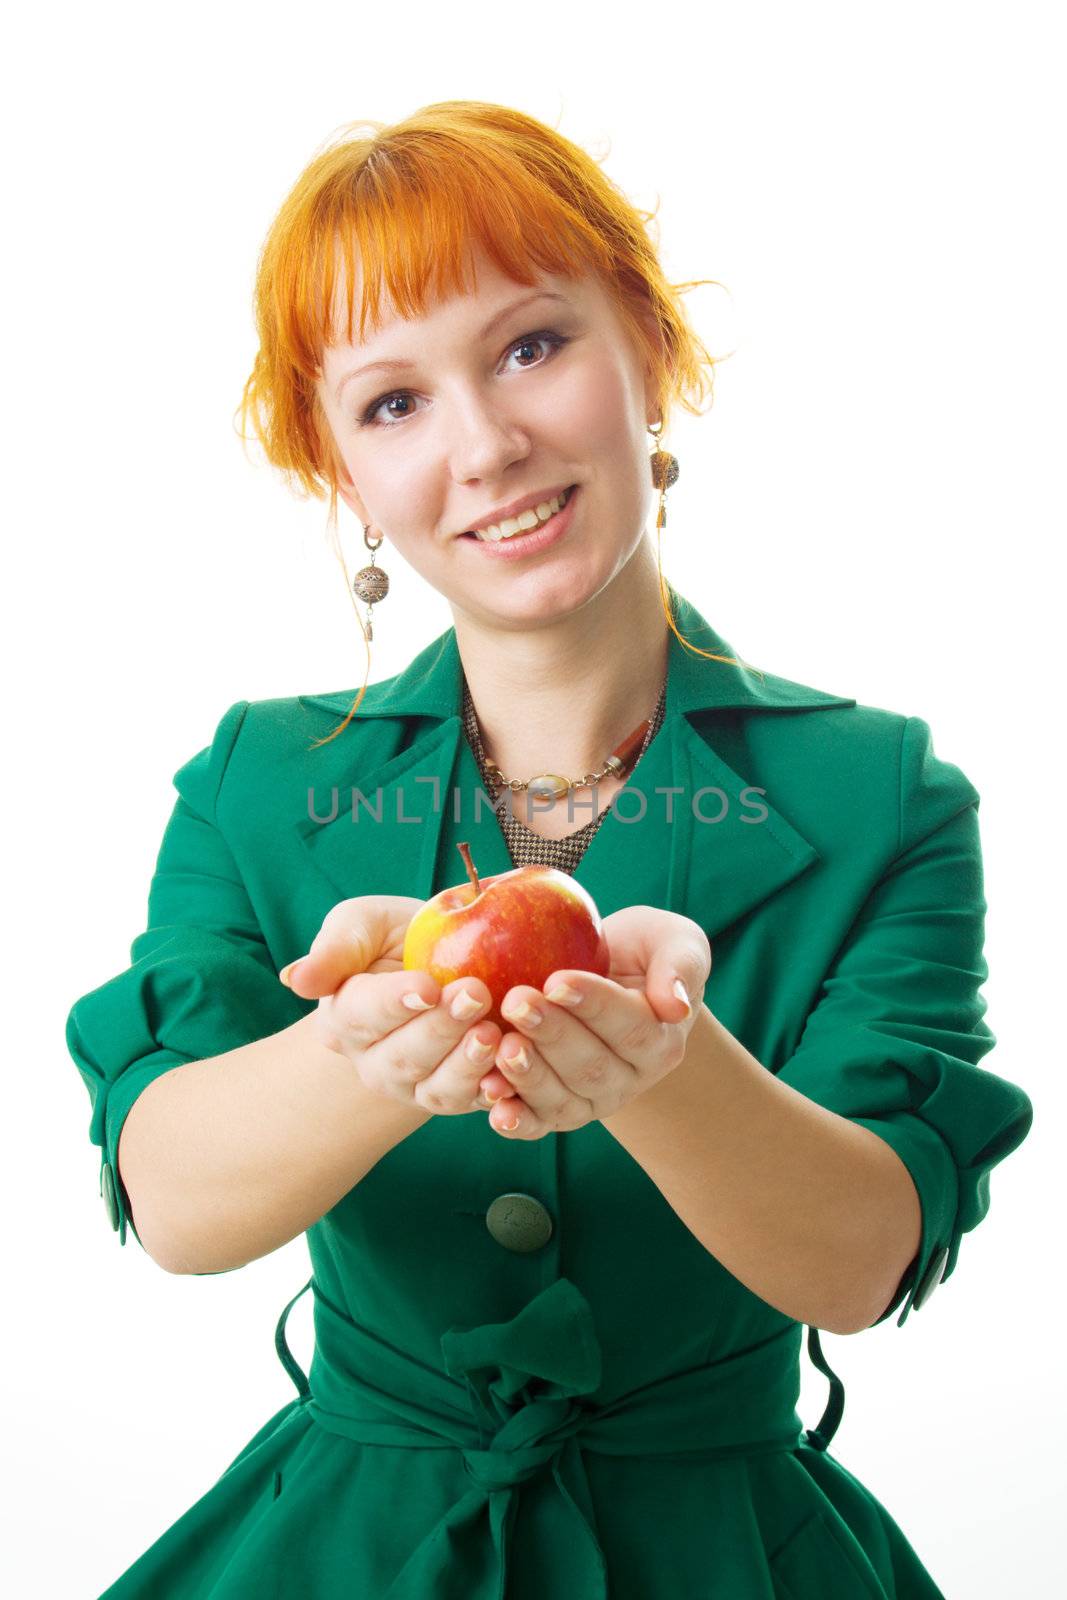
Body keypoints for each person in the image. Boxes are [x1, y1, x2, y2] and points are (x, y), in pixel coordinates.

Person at [66, 100, 1034, 1599]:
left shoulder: (885, 796)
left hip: (728, 1555)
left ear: (646, 346)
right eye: (392, 403)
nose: (488, 444)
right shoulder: (256, 783)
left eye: (530, 346)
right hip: (342, 1552)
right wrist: (364, 1056)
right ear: (339, 473)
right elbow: (176, 1204)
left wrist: (670, 1066)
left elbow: (863, 1260)